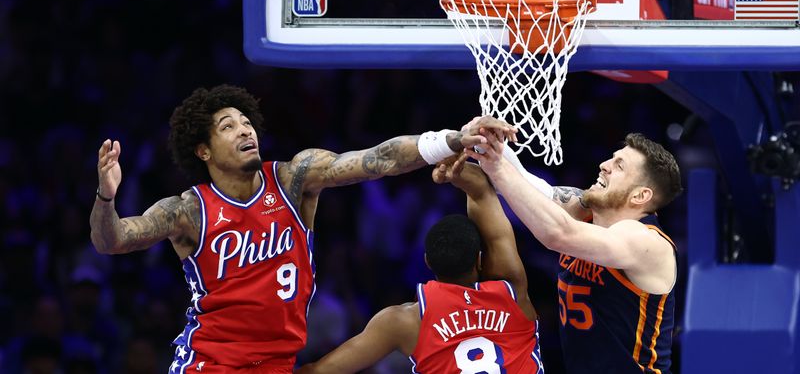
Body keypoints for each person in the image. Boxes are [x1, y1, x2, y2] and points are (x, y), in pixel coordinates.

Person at [90, 84, 513, 373]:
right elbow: (113, 241)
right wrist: (106, 198)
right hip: (211, 362)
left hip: (280, 363)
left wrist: (452, 139)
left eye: (245, 121)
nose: (244, 129)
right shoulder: (189, 210)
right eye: (228, 126)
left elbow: (380, 158)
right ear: (203, 150)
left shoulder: (294, 179)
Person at [296, 153, 544, 374]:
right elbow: (481, 190)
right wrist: (456, 170)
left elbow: (321, 370)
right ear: (479, 260)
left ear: (427, 262)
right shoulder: (512, 290)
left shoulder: (405, 321)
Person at [466, 128, 682, 374]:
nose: (604, 165)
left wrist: (496, 166)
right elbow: (525, 184)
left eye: (619, 166)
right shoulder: (587, 210)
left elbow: (557, 234)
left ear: (640, 195)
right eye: (612, 158)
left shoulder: (646, 242)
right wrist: (482, 142)